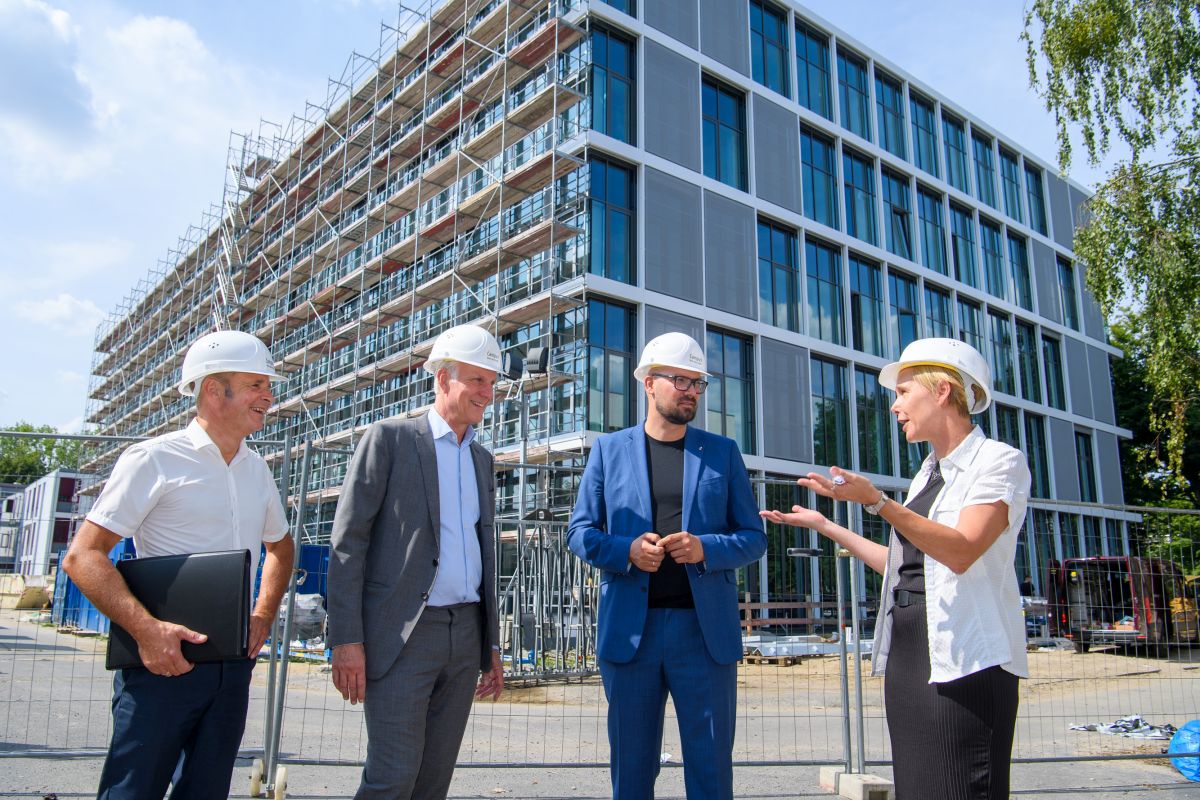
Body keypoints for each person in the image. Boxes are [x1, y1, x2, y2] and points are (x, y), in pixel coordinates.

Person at [761, 337, 1030, 800]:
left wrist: (878, 501)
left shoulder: (999, 462)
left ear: (942, 391)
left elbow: (961, 551)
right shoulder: (927, 474)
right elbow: (906, 564)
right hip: (912, 658)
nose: (894, 406)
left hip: (966, 665)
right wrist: (826, 524)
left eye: (904, 392)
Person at [62, 330, 295, 800]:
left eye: (267, 386)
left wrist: (263, 615)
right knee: (134, 791)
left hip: (231, 666)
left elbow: (281, 548)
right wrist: (148, 630)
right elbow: (82, 556)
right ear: (213, 390)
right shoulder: (153, 459)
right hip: (162, 666)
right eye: (255, 384)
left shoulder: (257, 469)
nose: (268, 396)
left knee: (206, 791)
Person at [567, 332, 767, 800]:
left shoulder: (722, 453)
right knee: (632, 773)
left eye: (698, 383)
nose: (691, 391)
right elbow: (579, 533)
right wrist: (626, 553)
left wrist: (706, 548)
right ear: (648, 383)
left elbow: (754, 539)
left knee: (711, 769)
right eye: (680, 380)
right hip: (631, 638)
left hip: (704, 634)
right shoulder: (608, 451)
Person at [328, 324, 505, 800]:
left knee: (433, 781)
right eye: (477, 380)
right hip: (404, 634)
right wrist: (345, 640)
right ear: (442, 379)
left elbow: (482, 555)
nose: (488, 394)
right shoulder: (389, 441)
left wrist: (489, 644)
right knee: (393, 777)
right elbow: (348, 545)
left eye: (492, 382)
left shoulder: (482, 460)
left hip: (465, 634)